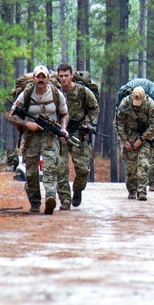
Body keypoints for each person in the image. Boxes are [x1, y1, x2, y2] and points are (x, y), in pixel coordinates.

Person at [8, 65, 70, 214]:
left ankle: (50, 197)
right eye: (38, 77)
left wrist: (63, 128)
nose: (41, 80)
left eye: (44, 77)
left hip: (50, 136)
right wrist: (26, 124)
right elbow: (12, 115)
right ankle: (35, 202)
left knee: (50, 167)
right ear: (34, 78)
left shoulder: (56, 94)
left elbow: (64, 114)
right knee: (31, 172)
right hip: (31, 137)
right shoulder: (26, 94)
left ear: (48, 78)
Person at [55, 63, 99, 209]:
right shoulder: (55, 92)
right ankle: (65, 199)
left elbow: (94, 108)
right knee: (60, 168)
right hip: (60, 133)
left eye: (66, 75)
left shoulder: (82, 91)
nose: (64, 79)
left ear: (72, 75)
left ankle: (78, 190)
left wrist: (87, 124)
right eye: (61, 76)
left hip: (79, 133)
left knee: (83, 169)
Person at [114, 86, 154, 200]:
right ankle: (132, 190)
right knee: (130, 166)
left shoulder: (150, 105)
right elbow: (118, 122)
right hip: (129, 137)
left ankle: (141, 191)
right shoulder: (125, 103)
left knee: (143, 164)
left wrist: (142, 138)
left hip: (145, 137)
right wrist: (124, 140)